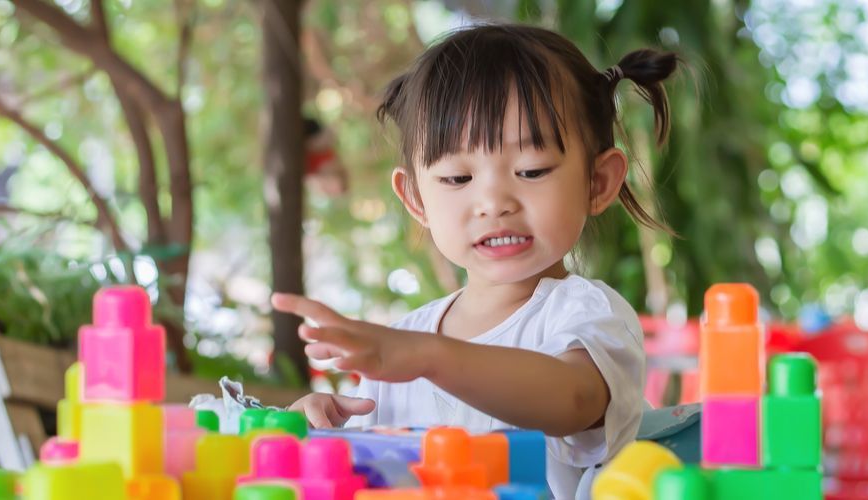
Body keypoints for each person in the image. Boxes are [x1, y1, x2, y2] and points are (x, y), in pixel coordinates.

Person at [272, 23, 678, 499]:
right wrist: (313, 431)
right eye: (457, 178)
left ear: (598, 181)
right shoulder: (400, 350)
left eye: (531, 170)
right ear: (416, 198)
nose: (493, 202)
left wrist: (427, 357)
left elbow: (572, 397)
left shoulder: (585, 316)